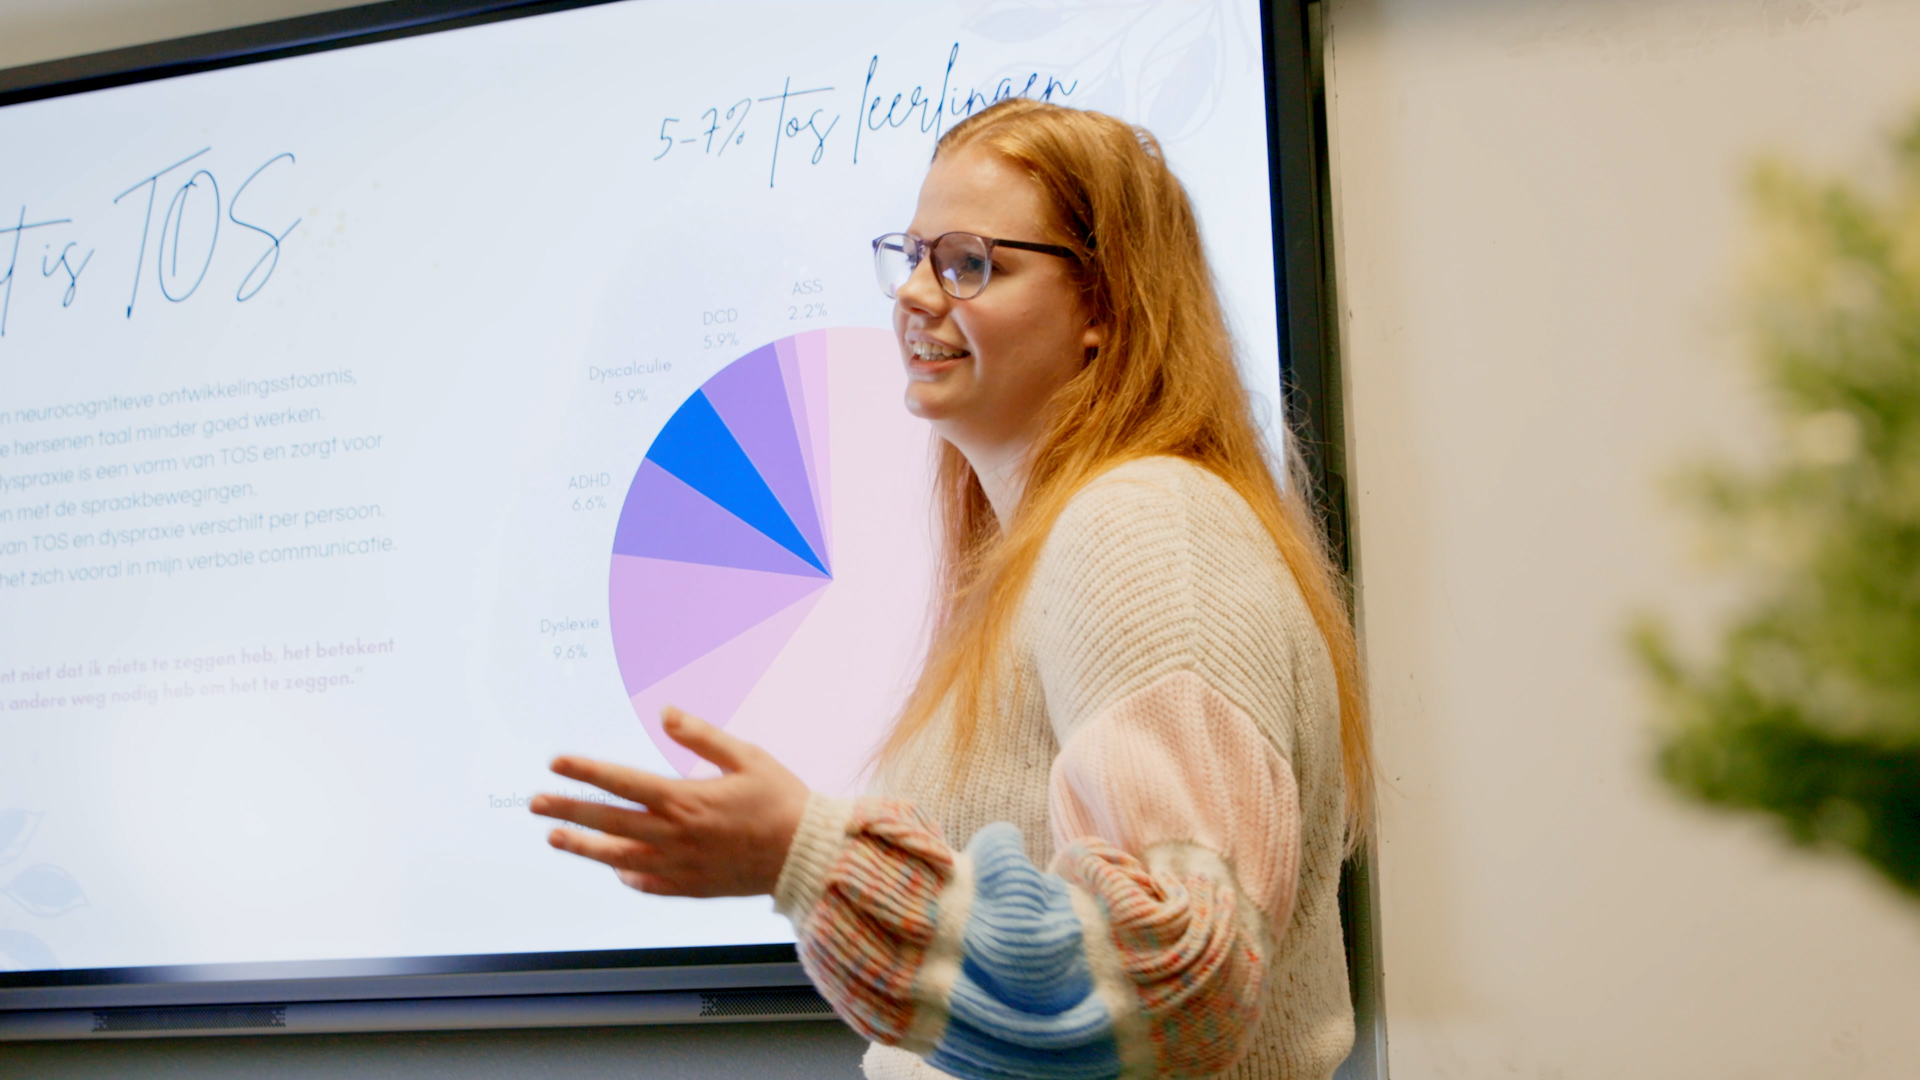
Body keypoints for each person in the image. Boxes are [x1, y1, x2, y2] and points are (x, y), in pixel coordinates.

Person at [529, 98, 1373, 1080]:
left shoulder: (1144, 527)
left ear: (1104, 307)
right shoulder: (1054, 548)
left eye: (970, 263)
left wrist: (807, 856)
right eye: (915, 254)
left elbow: (1181, 982)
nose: (918, 296)